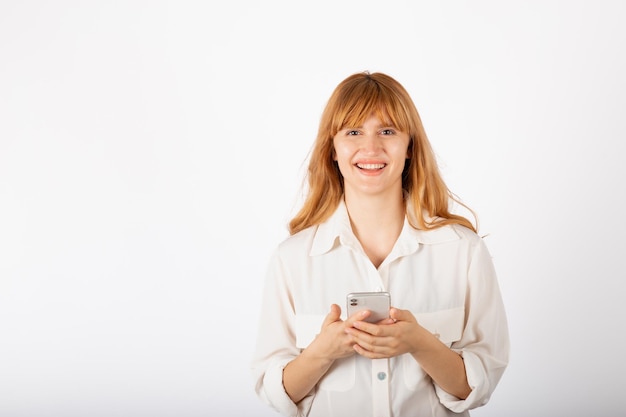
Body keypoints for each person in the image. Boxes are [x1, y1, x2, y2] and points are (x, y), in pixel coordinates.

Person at [251, 71, 509, 417]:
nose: (371, 148)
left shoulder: (463, 251)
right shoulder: (293, 259)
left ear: (409, 147)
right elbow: (274, 390)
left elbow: (477, 387)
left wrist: (419, 342)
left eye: (387, 131)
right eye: (353, 132)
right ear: (333, 148)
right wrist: (322, 352)